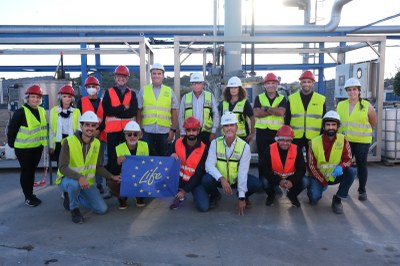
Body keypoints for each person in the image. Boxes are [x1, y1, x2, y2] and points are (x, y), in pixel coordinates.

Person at [56, 111, 121, 224]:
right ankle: (74, 209)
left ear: (96, 128)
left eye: (93, 125)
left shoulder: (97, 143)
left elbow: (98, 167)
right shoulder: (69, 142)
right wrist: (79, 177)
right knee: (73, 185)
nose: (90, 128)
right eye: (87, 125)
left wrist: (112, 176)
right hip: (68, 180)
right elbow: (62, 167)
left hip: (87, 183)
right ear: (81, 126)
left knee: (102, 209)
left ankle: (74, 195)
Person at [202, 112, 263, 215]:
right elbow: (209, 165)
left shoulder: (244, 146)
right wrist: (221, 178)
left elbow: (243, 172)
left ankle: (243, 196)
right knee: (206, 180)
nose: (229, 128)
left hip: (236, 180)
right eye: (226, 126)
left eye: (231, 125)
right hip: (220, 180)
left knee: (257, 184)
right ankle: (215, 195)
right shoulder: (215, 143)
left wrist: (241, 197)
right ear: (222, 128)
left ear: (236, 127)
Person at [306, 111, 355, 214]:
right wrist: (322, 181)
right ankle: (314, 189)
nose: (331, 127)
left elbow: (349, 160)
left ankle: (337, 199)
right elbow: (311, 165)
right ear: (323, 127)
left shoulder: (343, 140)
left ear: (337, 126)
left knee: (351, 172)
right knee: (314, 199)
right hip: (319, 177)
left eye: (333, 125)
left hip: (334, 175)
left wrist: (341, 167)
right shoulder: (314, 142)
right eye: (328, 125)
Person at [337, 77, 377, 201]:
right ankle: (344, 189)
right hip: (346, 141)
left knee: (361, 165)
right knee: (345, 165)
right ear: (346, 91)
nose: (352, 92)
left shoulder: (367, 106)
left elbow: (373, 122)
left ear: (359, 91)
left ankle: (362, 190)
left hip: (362, 141)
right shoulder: (341, 105)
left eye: (354, 89)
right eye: (349, 90)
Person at [7, 85, 48, 207]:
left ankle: (30, 194)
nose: (35, 99)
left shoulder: (41, 110)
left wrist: (44, 145)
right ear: (28, 98)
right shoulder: (21, 112)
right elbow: (12, 129)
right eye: (32, 97)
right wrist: (11, 144)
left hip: (37, 147)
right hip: (24, 149)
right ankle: (28, 197)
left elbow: (42, 129)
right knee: (27, 172)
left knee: (31, 172)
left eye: (37, 97)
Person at [111, 121, 157, 209]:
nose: (132, 137)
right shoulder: (118, 149)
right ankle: (122, 198)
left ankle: (139, 196)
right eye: (129, 134)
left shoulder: (145, 146)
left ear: (139, 135)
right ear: (125, 135)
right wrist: (117, 163)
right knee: (111, 181)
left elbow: (156, 160)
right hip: (124, 179)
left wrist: (171, 156)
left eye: (135, 134)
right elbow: (112, 169)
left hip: (142, 178)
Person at [102, 65, 138, 175]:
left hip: (127, 131)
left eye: (124, 77)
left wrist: (116, 112)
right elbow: (107, 110)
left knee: (127, 155)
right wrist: (122, 108)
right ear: (115, 78)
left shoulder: (132, 93)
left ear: (127, 79)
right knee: (112, 156)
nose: (121, 79)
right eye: (119, 76)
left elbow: (132, 111)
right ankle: (112, 182)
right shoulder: (109, 92)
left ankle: (127, 179)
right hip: (112, 131)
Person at [137, 63, 179, 156]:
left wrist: (173, 130)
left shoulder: (169, 91)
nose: (156, 76)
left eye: (159, 74)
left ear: (163, 76)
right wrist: (139, 128)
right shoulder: (143, 90)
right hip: (147, 131)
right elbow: (139, 111)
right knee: (147, 157)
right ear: (151, 75)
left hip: (164, 132)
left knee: (163, 157)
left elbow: (174, 111)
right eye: (154, 73)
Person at [169, 116, 209, 212]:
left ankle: (191, 194)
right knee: (159, 185)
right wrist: (171, 154)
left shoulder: (204, 149)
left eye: (194, 130)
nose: (191, 133)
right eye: (188, 130)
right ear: (185, 131)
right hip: (179, 179)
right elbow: (166, 156)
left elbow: (199, 174)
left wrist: (185, 191)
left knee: (203, 207)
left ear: (198, 131)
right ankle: (178, 195)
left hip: (195, 181)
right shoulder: (177, 142)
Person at [262, 125, 306, 207]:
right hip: (275, 178)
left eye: (288, 140)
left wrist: (292, 181)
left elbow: (301, 169)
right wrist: (278, 181)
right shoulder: (270, 149)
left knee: (305, 182)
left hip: (290, 178)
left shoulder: (297, 149)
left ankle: (292, 195)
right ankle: (271, 196)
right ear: (277, 140)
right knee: (264, 181)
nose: (285, 143)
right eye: (282, 140)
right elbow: (264, 169)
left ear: (292, 140)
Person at [253, 72, 287, 180]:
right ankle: (262, 182)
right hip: (262, 132)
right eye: (268, 83)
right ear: (264, 85)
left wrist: (266, 108)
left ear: (277, 84)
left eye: (273, 83)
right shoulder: (259, 97)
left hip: (276, 133)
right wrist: (274, 110)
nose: (270, 85)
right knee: (262, 159)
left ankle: (274, 182)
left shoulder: (282, 98)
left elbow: (281, 113)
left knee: (276, 158)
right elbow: (256, 113)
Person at [76, 76, 107, 194]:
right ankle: (84, 182)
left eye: (94, 87)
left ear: (98, 88)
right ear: (85, 88)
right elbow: (78, 119)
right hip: (85, 136)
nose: (91, 89)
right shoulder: (81, 102)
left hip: (100, 135)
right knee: (84, 160)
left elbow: (105, 119)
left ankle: (98, 184)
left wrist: (98, 130)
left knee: (99, 161)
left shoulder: (102, 102)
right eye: (89, 87)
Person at [285, 71, 326, 154]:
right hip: (295, 136)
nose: (306, 84)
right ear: (300, 83)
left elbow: (324, 119)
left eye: (309, 82)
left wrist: (322, 135)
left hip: (314, 137)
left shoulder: (321, 99)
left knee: (312, 162)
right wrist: (288, 135)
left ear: (313, 83)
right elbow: (287, 119)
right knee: (294, 160)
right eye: (304, 82)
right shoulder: (292, 99)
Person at [179, 72, 219, 146]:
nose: (196, 85)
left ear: (203, 84)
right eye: (194, 83)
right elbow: (181, 116)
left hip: (206, 133)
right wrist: (182, 132)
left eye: (199, 83)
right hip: (190, 133)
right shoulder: (185, 98)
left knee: (205, 155)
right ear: (191, 85)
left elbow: (215, 114)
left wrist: (213, 131)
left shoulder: (210, 96)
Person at [49, 85, 80, 167]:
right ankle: (61, 180)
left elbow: (79, 129)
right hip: (59, 143)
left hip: (72, 142)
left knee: (72, 165)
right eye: (64, 96)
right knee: (61, 166)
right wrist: (51, 146)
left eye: (69, 96)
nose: (67, 99)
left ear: (72, 98)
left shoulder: (76, 112)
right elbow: (51, 129)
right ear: (60, 97)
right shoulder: (54, 111)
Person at [220, 76, 255, 142]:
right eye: (231, 88)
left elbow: (252, 117)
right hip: (227, 136)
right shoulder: (224, 103)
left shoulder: (245, 103)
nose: (233, 90)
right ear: (228, 89)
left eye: (235, 87)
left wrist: (253, 133)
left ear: (239, 89)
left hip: (242, 137)